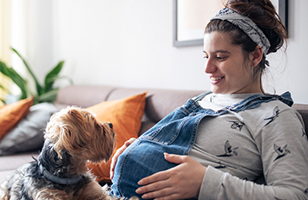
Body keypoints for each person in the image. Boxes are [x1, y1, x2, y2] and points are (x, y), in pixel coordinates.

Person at [109, 0, 308, 199]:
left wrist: (205, 182)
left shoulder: (276, 116)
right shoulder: (202, 101)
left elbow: (295, 194)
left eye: (220, 57)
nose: (207, 68)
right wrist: (137, 147)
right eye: (206, 56)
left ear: (256, 55)